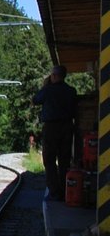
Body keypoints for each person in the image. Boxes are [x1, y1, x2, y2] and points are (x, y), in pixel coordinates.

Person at [33, 64, 78, 200]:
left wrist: (45, 86)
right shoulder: (71, 91)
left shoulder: (47, 90)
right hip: (67, 126)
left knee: (49, 158)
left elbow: (35, 100)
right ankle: (65, 188)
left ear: (54, 76)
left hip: (51, 127)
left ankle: (54, 190)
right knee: (64, 158)